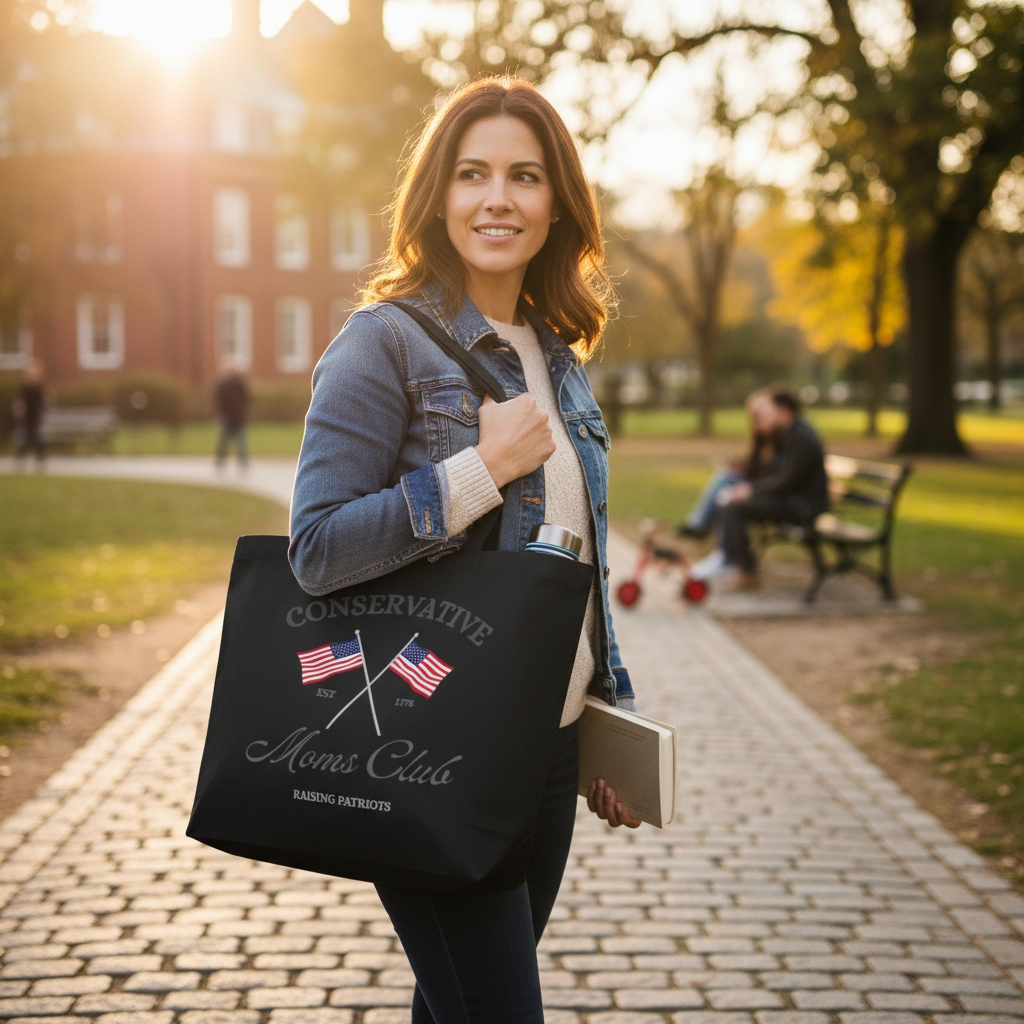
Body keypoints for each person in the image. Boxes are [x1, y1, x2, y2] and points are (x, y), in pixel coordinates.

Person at [289, 78, 637, 1023]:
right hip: (432, 747)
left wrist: (606, 715)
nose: (497, 199)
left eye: (525, 176)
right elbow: (315, 549)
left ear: (557, 202)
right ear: (438, 196)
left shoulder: (557, 358)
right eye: (473, 174)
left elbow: (576, 568)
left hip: (549, 752)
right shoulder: (382, 343)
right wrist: (479, 470)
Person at [718, 387, 829, 589]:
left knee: (734, 507)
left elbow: (790, 480)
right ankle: (735, 564)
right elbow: (778, 475)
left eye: (770, 410)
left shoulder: (801, 436)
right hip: (793, 501)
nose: (766, 415)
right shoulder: (790, 433)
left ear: (784, 411)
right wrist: (749, 482)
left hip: (803, 508)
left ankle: (747, 573)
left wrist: (752, 490)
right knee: (732, 501)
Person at [679, 389, 780, 540]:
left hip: (765, 489)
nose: (757, 419)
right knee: (725, 481)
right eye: (754, 415)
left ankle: (700, 524)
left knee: (726, 490)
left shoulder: (782, 438)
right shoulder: (762, 438)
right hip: (759, 483)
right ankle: (702, 526)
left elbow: (774, 474)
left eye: (761, 414)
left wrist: (750, 487)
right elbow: (756, 466)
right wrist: (739, 466)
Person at [214, 361, 250, 469]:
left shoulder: (229, 383)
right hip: (234, 415)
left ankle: (223, 460)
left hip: (232, 415)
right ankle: (239, 460)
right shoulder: (238, 383)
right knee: (232, 439)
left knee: (231, 439)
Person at [13, 358, 46, 467]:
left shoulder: (38, 387)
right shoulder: (25, 387)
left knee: (36, 438)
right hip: (27, 417)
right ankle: (23, 458)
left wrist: (42, 413)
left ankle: (38, 459)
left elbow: (41, 402)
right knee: (29, 438)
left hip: (35, 416)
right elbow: (20, 401)